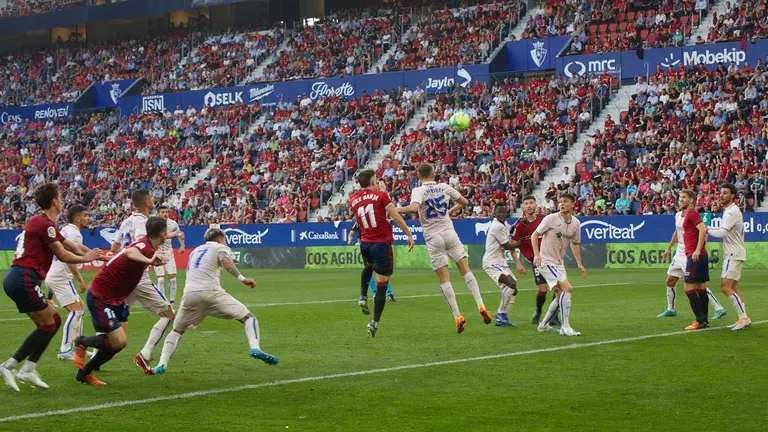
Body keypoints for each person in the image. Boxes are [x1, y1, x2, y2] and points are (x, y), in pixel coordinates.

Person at [1, 183, 105, 391]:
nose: (63, 200)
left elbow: (71, 246)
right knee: (49, 324)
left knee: (52, 321)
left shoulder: (45, 224)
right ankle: (14, 366)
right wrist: (88, 258)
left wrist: (100, 256)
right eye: (60, 196)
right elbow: (64, 255)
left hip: (20, 278)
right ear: (54, 201)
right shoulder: (44, 224)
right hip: (24, 278)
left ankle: (24, 367)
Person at [152, 228, 278, 375]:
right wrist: (243, 279)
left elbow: (206, 265)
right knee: (249, 318)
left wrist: (229, 261)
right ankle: (255, 348)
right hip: (211, 293)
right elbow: (225, 261)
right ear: (219, 239)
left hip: (190, 295)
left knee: (177, 331)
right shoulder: (220, 247)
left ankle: (161, 364)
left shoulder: (195, 251)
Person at [398, 163, 491, 333]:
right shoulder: (444, 187)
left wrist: (394, 210)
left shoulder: (419, 190)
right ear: (433, 174)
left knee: (444, 278)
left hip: (433, 237)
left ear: (419, 175)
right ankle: (481, 304)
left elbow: (413, 208)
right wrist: (450, 211)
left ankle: (457, 315)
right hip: (449, 232)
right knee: (465, 270)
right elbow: (464, 202)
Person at [73, 217, 167, 385]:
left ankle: (85, 373)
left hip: (117, 298)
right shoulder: (144, 246)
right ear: (163, 233)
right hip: (101, 295)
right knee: (118, 341)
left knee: (118, 344)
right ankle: (81, 342)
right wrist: (149, 261)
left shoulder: (148, 245)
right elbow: (130, 252)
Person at [110, 190, 180, 374]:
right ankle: (145, 353)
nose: (154, 198)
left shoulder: (126, 221)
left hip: (123, 276)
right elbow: (142, 243)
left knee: (114, 317)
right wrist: (151, 259)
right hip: (138, 276)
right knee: (169, 314)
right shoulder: (143, 222)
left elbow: (114, 247)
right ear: (147, 202)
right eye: (151, 197)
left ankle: (95, 355)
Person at [350, 170, 414, 337]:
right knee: (382, 284)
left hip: (365, 243)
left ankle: (362, 297)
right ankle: (375, 322)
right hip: (381, 244)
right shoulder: (381, 196)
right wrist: (408, 234)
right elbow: (396, 217)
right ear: (373, 181)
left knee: (368, 267)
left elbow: (374, 211)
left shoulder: (354, 198)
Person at [531, 193, 586, 337]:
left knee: (559, 296)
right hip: (545, 261)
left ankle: (544, 325)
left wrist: (579, 263)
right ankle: (565, 326)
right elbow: (534, 235)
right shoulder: (551, 218)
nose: (561, 204)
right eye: (560, 201)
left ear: (573, 204)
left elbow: (575, 243)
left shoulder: (576, 223)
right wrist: (536, 255)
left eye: (565, 201)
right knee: (568, 288)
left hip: (559, 263)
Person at [43, 205, 92, 361]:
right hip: (60, 277)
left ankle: (79, 347)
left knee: (81, 309)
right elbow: (69, 259)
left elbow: (77, 247)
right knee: (76, 311)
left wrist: (92, 253)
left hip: (57, 276)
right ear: (77, 218)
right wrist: (81, 280)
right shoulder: (74, 233)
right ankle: (65, 350)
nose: (88, 218)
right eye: (86, 215)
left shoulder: (68, 230)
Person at [660, 209, 726, 319]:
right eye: (680, 200)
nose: (680, 202)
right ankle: (671, 309)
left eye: (683, 200)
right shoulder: (677, 215)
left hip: (689, 253)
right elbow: (677, 233)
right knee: (670, 280)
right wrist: (668, 248)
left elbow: (703, 231)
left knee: (696, 285)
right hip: (679, 253)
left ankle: (719, 308)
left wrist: (699, 248)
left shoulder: (693, 215)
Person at [707, 184, 752, 330]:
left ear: (732, 195)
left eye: (725, 193)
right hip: (736, 253)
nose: (721, 195)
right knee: (733, 287)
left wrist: (706, 228)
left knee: (725, 287)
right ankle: (743, 318)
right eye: (721, 193)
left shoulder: (732, 212)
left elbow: (722, 233)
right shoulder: (729, 211)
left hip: (733, 254)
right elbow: (722, 230)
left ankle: (744, 318)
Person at [510, 195, 560, 325]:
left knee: (559, 286)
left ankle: (554, 316)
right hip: (536, 259)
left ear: (536, 205)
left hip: (551, 257)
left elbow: (557, 233)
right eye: (526, 203)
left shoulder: (544, 220)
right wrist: (518, 263)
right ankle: (538, 311)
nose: (529, 206)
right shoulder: (520, 225)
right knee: (543, 289)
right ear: (523, 207)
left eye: (531, 203)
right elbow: (512, 245)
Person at [482, 202, 520, 327]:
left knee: (513, 289)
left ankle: (501, 319)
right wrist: (519, 243)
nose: (501, 214)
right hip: (492, 262)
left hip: (500, 262)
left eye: (503, 212)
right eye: (499, 212)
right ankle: (501, 313)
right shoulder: (496, 226)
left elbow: (510, 229)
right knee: (511, 284)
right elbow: (507, 245)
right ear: (494, 213)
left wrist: (518, 222)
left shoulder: (504, 224)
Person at [678, 189, 711, 331]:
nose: (681, 199)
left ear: (691, 199)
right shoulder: (690, 214)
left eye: (684, 197)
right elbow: (704, 231)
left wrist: (697, 249)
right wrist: (701, 247)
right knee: (701, 288)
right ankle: (704, 320)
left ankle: (699, 320)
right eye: (680, 197)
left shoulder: (692, 213)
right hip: (700, 255)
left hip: (695, 255)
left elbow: (703, 229)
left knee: (688, 288)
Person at [349, 220, 395, 303]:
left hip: (367, 246)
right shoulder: (373, 218)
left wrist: (350, 240)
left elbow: (351, 234)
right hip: (378, 246)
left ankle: (376, 293)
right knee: (381, 271)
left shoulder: (359, 220)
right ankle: (388, 292)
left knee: (368, 270)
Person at [155, 205, 185, 306]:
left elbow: (180, 234)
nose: (165, 214)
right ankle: (163, 301)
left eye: (166, 212)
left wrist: (182, 245)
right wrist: (174, 234)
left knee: (173, 278)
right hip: (157, 252)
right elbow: (159, 237)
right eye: (162, 212)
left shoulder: (173, 224)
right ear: (158, 213)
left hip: (168, 252)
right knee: (160, 279)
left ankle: (172, 302)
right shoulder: (154, 224)